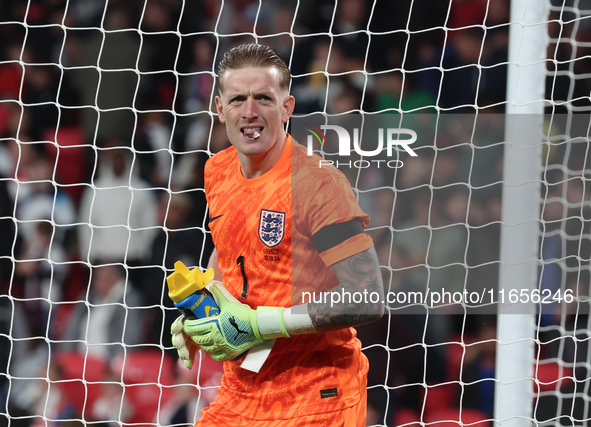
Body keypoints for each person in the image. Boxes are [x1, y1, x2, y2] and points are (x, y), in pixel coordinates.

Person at [171, 43, 385, 427]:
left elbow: (367, 297)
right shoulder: (216, 171)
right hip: (244, 386)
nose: (249, 112)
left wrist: (259, 324)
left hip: (318, 393)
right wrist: (203, 310)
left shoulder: (318, 185)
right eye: (237, 99)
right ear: (219, 108)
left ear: (286, 108)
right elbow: (228, 250)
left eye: (263, 99)